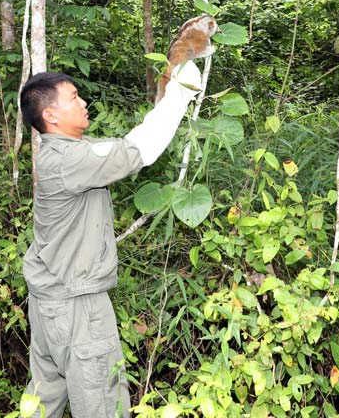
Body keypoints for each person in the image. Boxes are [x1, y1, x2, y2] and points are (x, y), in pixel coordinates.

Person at [19, 60, 203, 418]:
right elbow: (139, 151)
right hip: (77, 304)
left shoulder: (64, 153)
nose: (83, 102)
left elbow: (124, 144)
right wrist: (180, 94)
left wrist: (166, 93)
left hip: (48, 303)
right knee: (102, 404)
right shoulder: (69, 160)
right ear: (51, 115)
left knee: (44, 402)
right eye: (73, 98)